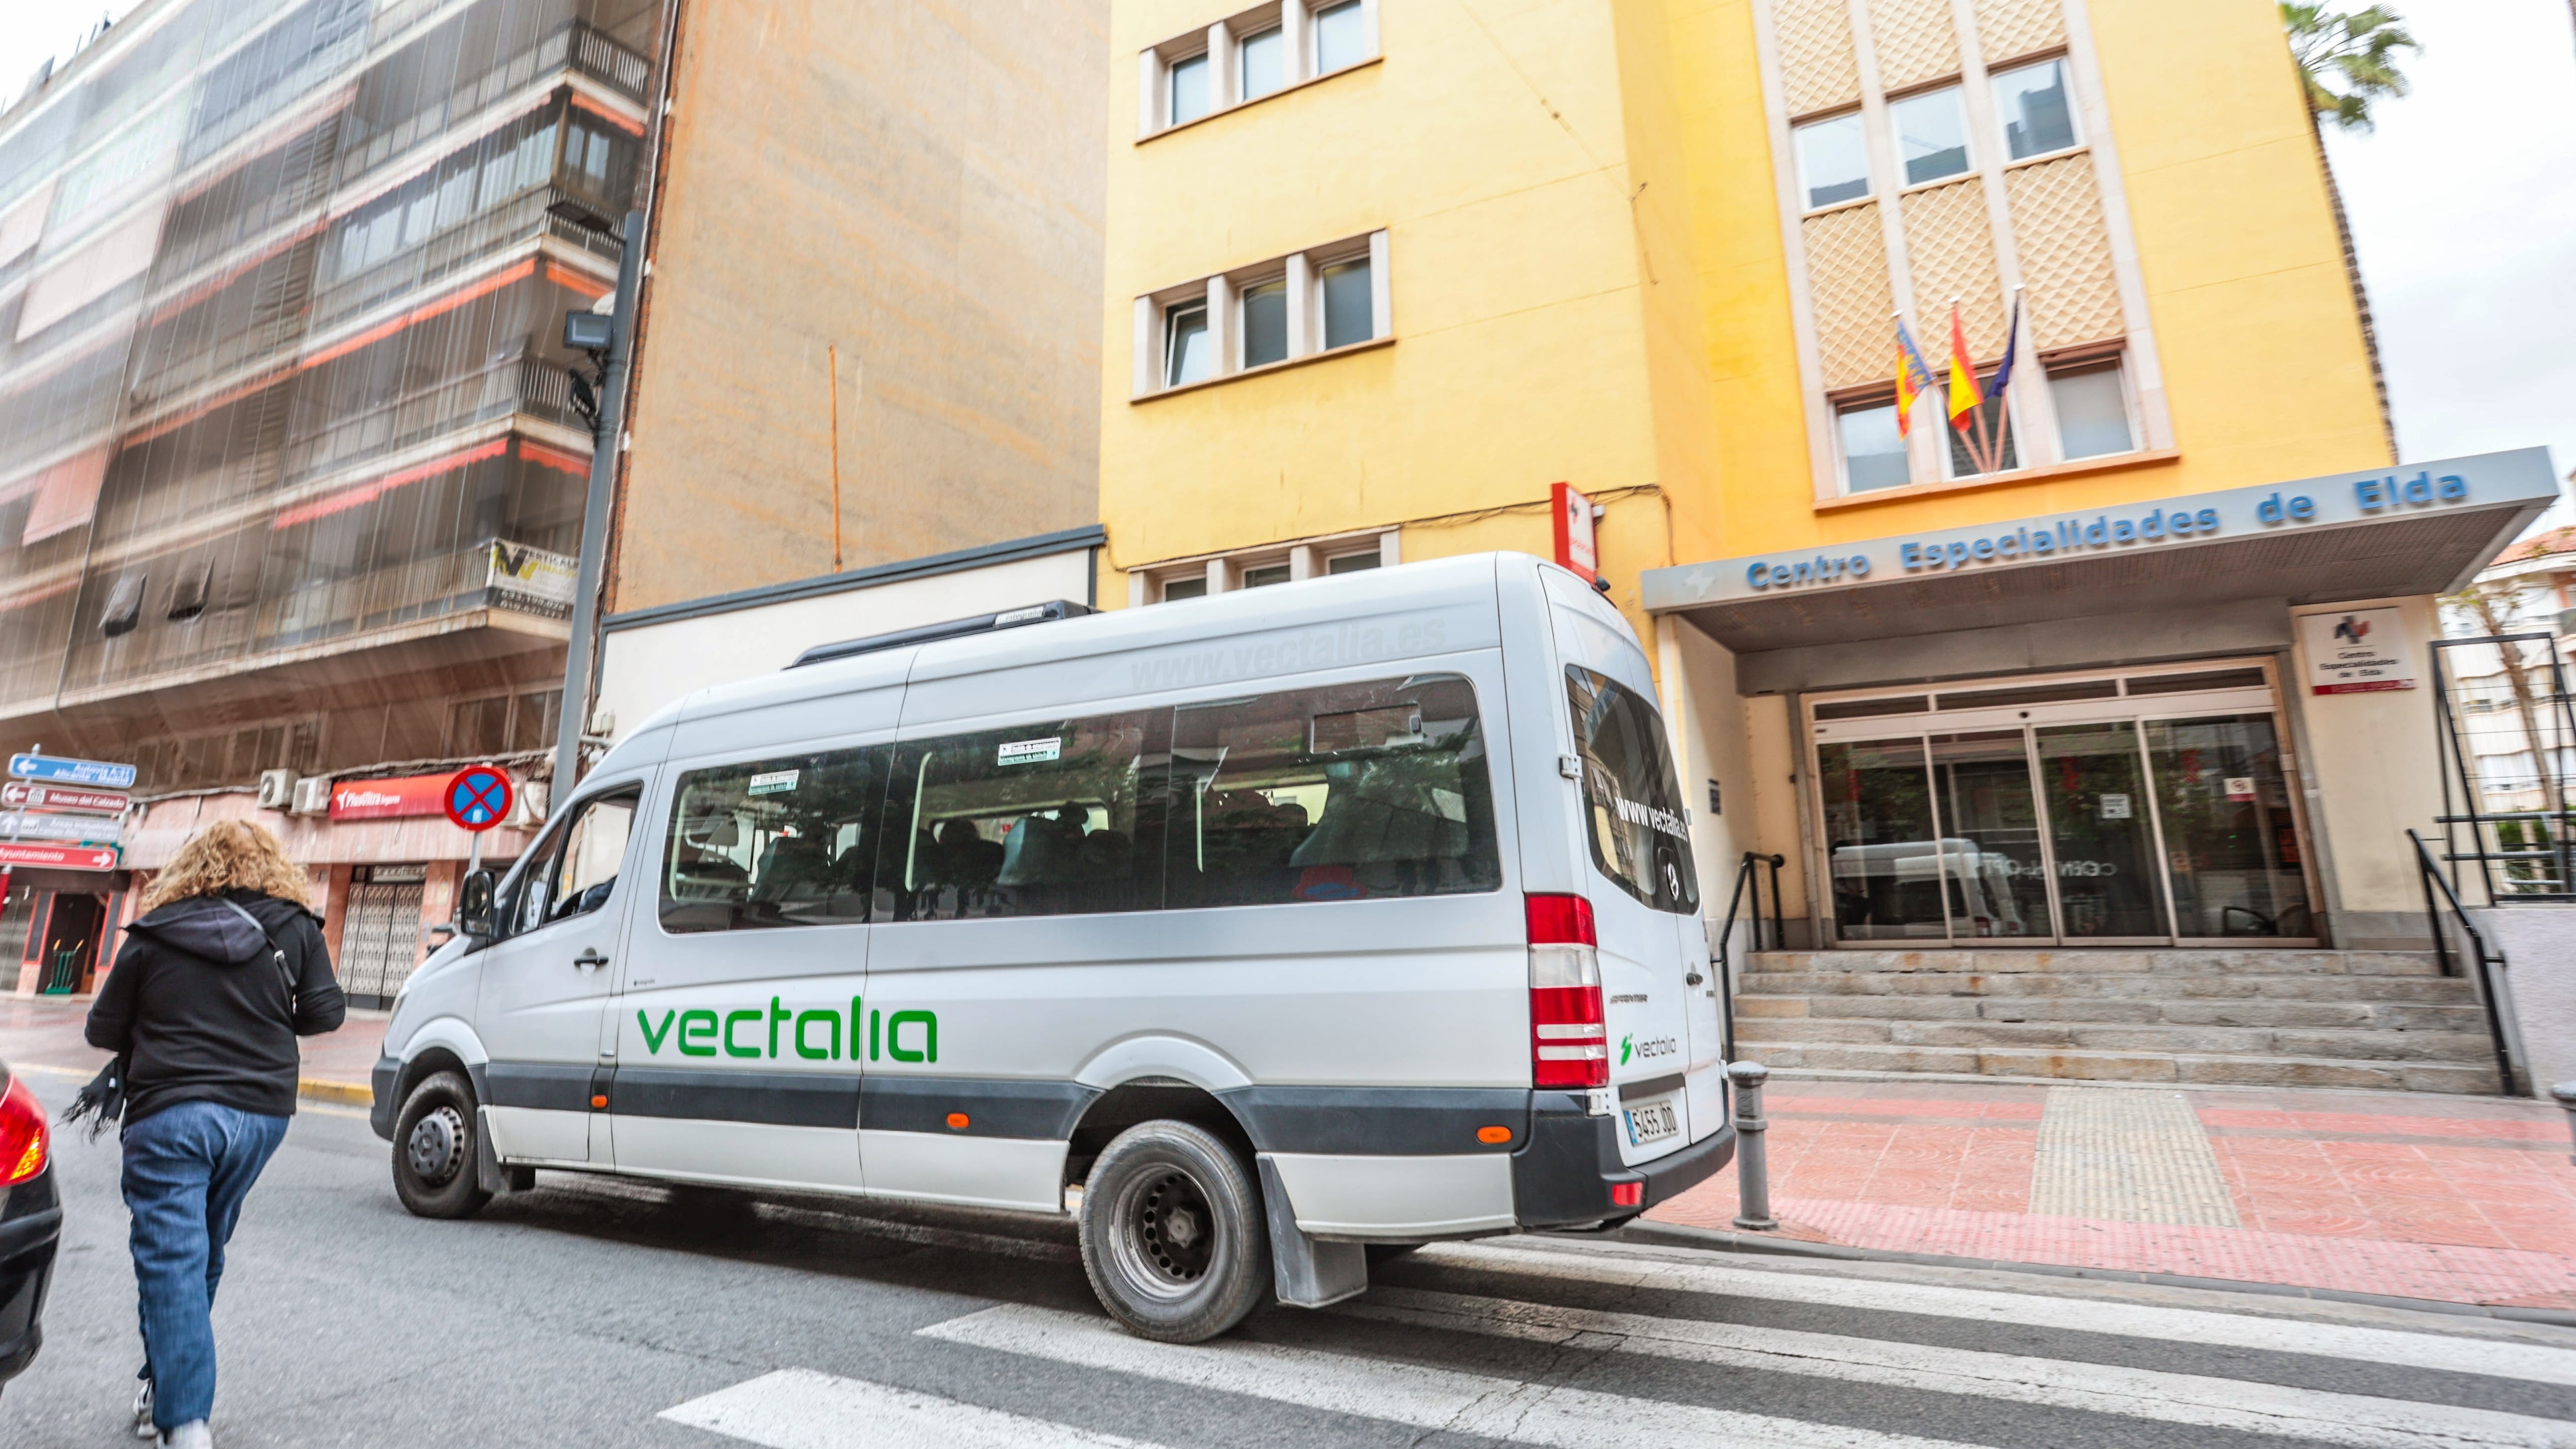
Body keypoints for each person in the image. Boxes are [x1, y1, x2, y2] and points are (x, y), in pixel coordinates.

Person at [84, 820, 344, 1447]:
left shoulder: (153, 933)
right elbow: (326, 1012)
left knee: (174, 1258)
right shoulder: (296, 927)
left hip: (170, 1111)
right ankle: (161, 1386)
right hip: (258, 1115)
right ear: (271, 865)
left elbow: (102, 1029)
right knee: (200, 1247)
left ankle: (185, 1420)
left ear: (190, 864)